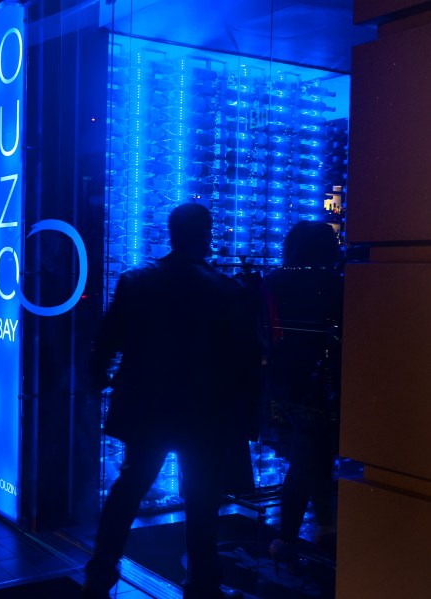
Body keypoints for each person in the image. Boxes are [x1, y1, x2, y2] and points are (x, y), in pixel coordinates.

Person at [83, 202, 260, 599]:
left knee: (129, 489)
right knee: (201, 498)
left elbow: (107, 343)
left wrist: (103, 382)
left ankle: (100, 571)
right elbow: (245, 360)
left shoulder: (137, 280)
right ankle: (202, 582)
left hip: (148, 409)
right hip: (205, 412)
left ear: (171, 232)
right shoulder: (228, 290)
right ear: (206, 235)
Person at [262, 221, 343, 571]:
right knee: (311, 459)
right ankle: (298, 535)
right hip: (322, 387)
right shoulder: (333, 284)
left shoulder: (275, 280)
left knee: (307, 457)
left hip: (284, 383)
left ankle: (308, 532)